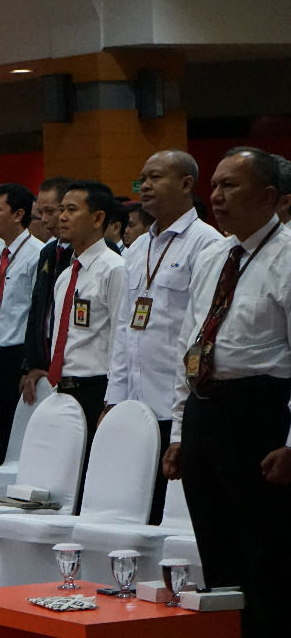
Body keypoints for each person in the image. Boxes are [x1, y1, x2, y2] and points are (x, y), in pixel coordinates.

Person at [161, 146, 291, 638]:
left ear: (269, 196)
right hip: (204, 410)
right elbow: (189, 345)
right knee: (214, 546)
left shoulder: (287, 256)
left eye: (230, 185)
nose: (215, 196)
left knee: (264, 551)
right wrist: (179, 432)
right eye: (213, 185)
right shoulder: (214, 255)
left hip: (260, 412)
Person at [105, 151, 221, 524]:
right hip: (134, 402)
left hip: (174, 402)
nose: (146, 186)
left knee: (174, 513)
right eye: (143, 179)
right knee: (133, 509)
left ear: (186, 184)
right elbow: (124, 328)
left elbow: (202, 333)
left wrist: (184, 411)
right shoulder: (139, 247)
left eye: (155, 177)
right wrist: (114, 398)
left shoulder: (206, 243)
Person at [45, 181, 126, 459]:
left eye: (71, 210)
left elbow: (120, 339)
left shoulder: (115, 269)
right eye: (61, 210)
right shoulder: (66, 275)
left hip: (95, 389)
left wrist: (112, 400)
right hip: (62, 388)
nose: (62, 217)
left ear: (98, 218)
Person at [0, 184, 42, 464]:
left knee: (17, 434)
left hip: (17, 356)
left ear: (18, 214)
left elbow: (37, 315)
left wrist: (29, 364)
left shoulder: (37, 254)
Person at [20, 176, 73, 405]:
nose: (43, 219)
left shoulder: (95, 254)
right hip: (45, 355)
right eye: (40, 212)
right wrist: (31, 365)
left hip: (75, 363)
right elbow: (37, 311)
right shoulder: (48, 251)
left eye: (50, 211)